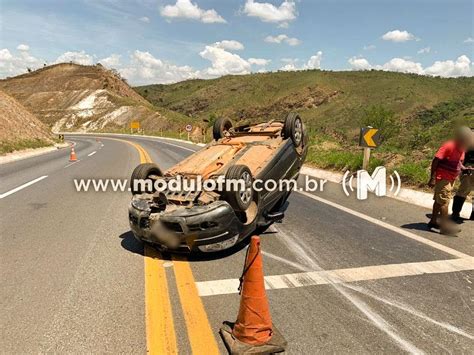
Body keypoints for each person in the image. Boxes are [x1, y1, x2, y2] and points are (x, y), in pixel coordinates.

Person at [427, 126, 472, 234]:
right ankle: (445, 226)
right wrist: (432, 178)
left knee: (439, 201)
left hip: (451, 178)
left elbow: (458, 162)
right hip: (443, 177)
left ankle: (433, 221)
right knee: (444, 202)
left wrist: (464, 169)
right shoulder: (449, 145)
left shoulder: (462, 149)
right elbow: (436, 160)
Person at [451, 132, 474, 221]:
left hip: (468, 166)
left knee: (463, 190)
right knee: (464, 190)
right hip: (469, 167)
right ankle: (455, 213)